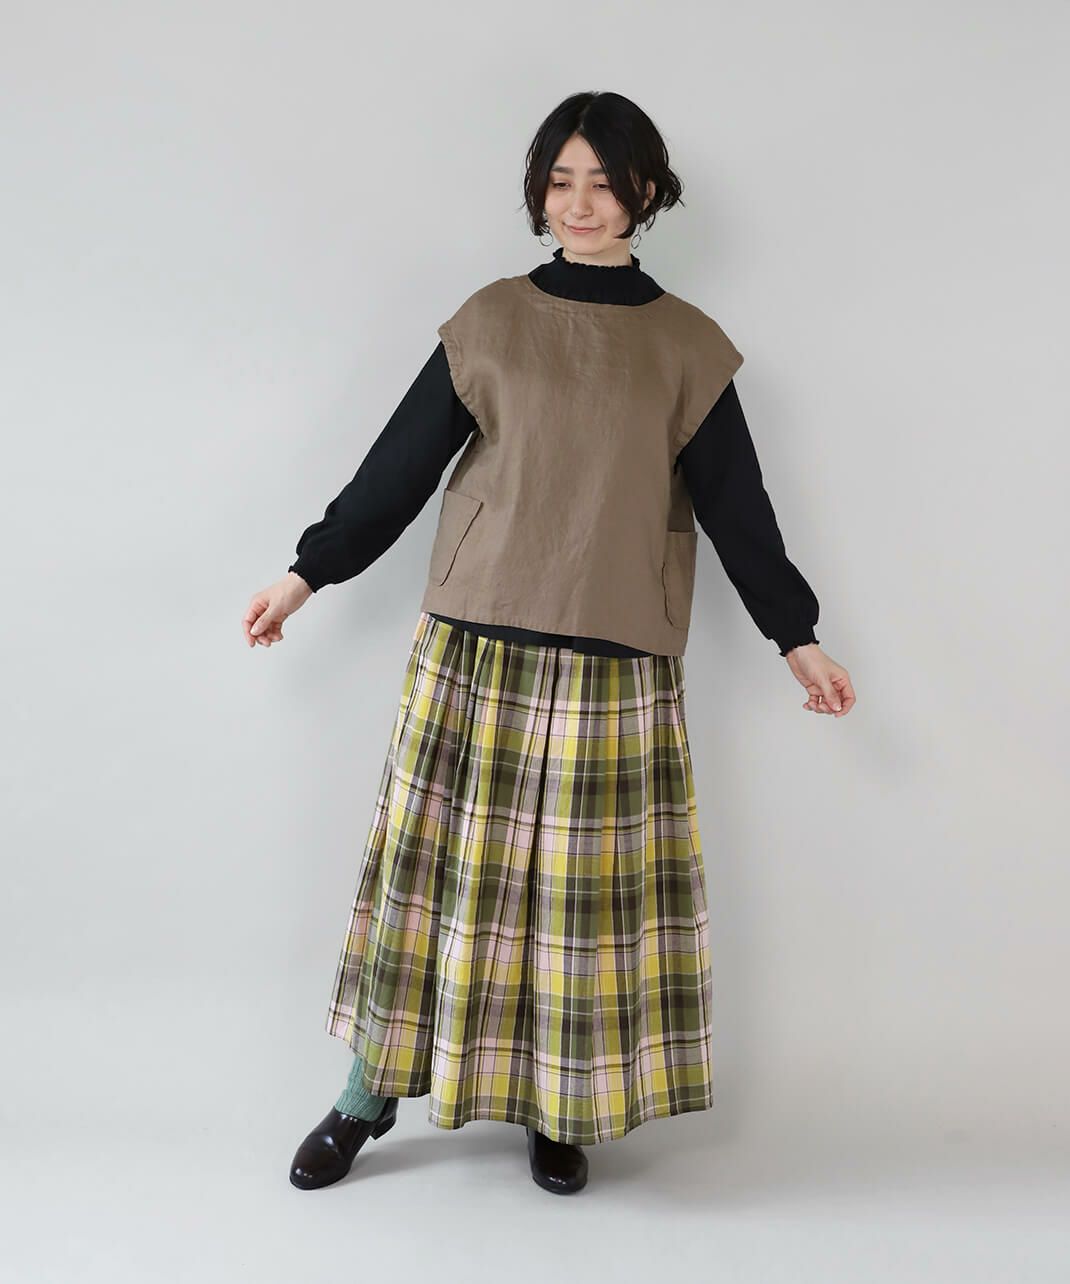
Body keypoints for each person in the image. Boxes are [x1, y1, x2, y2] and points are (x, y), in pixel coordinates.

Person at [243, 90, 856, 1197]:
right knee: (432, 884)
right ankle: (367, 1095)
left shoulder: (687, 346)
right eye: (561, 180)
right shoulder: (489, 321)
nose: (581, 203)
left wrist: (794, 637)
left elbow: (738, 508)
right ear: (538, 192)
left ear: (645, 194)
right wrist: (305, 576)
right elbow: (398, 469)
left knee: (576, 904)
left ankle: (555, 1106)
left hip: (613, 652)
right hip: (473, 642)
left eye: (604, 183)